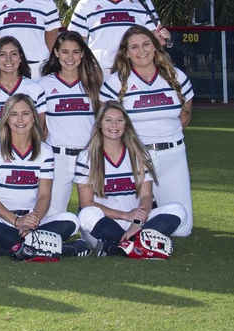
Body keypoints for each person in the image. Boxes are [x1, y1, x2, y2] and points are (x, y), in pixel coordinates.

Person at [100, 26, 194, 236]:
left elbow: (185, 115)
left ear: (155, 47)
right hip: (135, 157)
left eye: (146, 44)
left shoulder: (175, 76)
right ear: (126, 52)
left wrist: (166, 137)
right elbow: (106, 122)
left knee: (183, 229)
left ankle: (146, 220)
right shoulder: (116, 81)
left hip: (172, 155)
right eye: (134, 47)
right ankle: (141, 221)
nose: (141, 51)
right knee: (123, 222)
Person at [0, 93, 86, 257]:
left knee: (71, 220)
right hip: (2, 218)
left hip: (32, 218)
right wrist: (16, 221)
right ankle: (57, 249)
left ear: (34, 117)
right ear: (6, 119)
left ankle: (12, 247)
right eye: (14, 114)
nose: (20, 120)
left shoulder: (45, 150)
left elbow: (44, 195)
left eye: (25, 113)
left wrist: (32, 222)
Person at [74, 102, 187, 254]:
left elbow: (146, 197)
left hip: (136, 223)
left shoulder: (138, 153)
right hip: (104, 225)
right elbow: (86, 203)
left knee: (178, 210)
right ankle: (138, 244)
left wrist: (136, 222)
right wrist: (125, 215)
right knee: (86, 215)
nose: (114, 125)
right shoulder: (87, 157)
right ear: (99, 124)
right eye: (108, 120)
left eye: (119, 120)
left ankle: (117, 248)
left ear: (126, 124)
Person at [39, 31, 103, 213]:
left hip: (90, 156)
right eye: (65, 51)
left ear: (82, 53)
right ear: (56, 53)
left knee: (95, 215)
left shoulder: (94, 83)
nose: (70, 57)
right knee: (52, 215)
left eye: (75, 52)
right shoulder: (43, 84)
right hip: (58, 156)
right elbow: (40, 126)